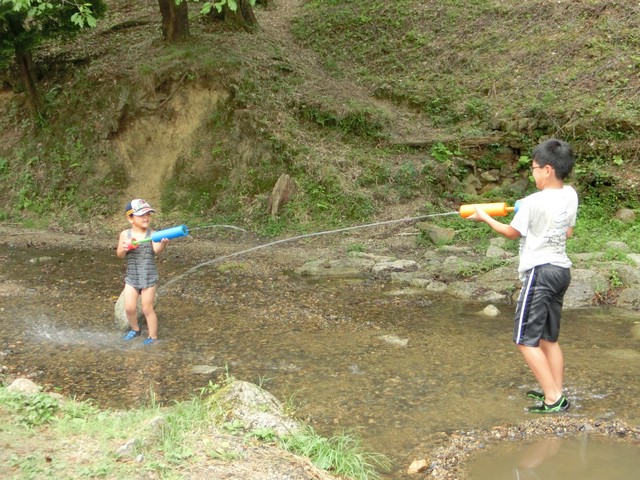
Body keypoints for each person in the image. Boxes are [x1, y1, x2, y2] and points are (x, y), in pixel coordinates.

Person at [468, 138, 578, 413]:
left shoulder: (532, 202)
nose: (533, 173)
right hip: (561, 271)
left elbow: (510, 232)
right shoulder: (570, 194)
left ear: (548, 170)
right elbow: (567, 232)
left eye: (534, 168)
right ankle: (554, 390)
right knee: (548, 339)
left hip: (540, 274)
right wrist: (526, 209)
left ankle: (553, 399)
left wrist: (484, 216)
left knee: (524, 340)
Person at [116, 199, 170, 345]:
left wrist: (163, 243)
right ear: (130, 218)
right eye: (141, 215)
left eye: (148, 214)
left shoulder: (153, 234)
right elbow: (119, 254)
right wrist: (124, 248)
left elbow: (156, 250)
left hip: (148, 277)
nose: (146, 217)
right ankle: (135, 329)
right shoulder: (125, 235)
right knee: (129, 307)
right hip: (132, 277)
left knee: (147, 308)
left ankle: (152, 336)